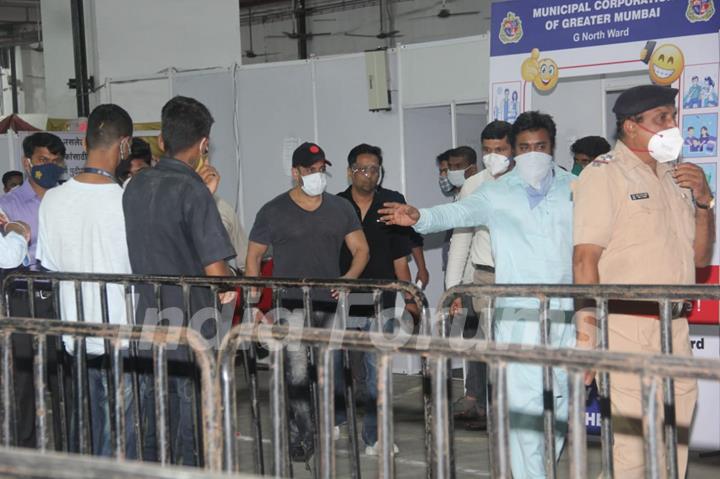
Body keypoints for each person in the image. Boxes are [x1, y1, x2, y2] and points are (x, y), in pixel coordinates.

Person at [379, 111, 576, 478]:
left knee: (561, 405)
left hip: (566, 315)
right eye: (526, 147)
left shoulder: (574, 189)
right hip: (517, 315)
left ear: (552, 148)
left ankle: (543, 469)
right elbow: (456, 213)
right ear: (515, 151)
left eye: (541, 146)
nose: (533, 153)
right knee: (523, 407)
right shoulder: (497, 193)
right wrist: (418, 216)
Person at [574, 84, 714, 478]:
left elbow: (700, 258)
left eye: (673, 116)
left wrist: (704, 201)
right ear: (630, 126)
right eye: (661, 119)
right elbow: (585, 259)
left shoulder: (676, 177)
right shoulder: (603, 175)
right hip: (624, 328)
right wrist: (587, 340)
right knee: (630, 455)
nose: (673, 126)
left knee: (674, 448)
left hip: (675, 329)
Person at [123, 96, 237, 465]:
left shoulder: (135, 186)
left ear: (161, 139)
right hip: (192, 326)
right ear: (204, 145)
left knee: (153, 421)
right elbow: (216, 272)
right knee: (193, 422)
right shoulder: (194, 192)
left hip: (146, 320)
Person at [245, 141, 369, 462]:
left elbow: (361, 250)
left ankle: (316, 424)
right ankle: (304, 433)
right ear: (295, 173)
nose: (317, 175)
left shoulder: (340, 209)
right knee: (297, 372)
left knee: (327, 372)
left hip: (328, 304)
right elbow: (254, 254)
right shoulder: (273, 211)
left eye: (321, 170)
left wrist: (347, 280)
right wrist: (254, 292)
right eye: (310, 170)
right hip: (290, 305)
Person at [36, 104, 137, 456]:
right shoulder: (128, 201)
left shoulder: (52, 199)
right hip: (123, 337)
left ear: (85, 139)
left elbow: (47, 264)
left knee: (86, 432)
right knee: (120, 437)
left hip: (74, 336)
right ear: (125, 145)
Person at [336, 143, 416, 455]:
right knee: (338, 367)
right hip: (341, 299)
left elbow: (400, 257)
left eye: (374, 169)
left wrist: (409, 298)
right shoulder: (336, 205)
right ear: (349, 171)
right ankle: (337, 415)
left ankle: (375, 436)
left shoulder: (391, 203)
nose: (368, 175)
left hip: (380, 300)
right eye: (361, 169)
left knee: (377, 372)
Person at [445, 122, 514, 431]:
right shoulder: (473, 186)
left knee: (515, 349)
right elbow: (460, 240)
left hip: (521, 280)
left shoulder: (527, 182)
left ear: (513, 149)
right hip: (483, 278)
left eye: (499, 149)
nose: (492, 156)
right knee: (481, 346)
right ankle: (482, 405)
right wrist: (453, 290)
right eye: (487, 150)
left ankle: (515, 410)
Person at [0, 131, 66, 449]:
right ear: (28, 163)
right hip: (23, 300)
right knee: (24, 382)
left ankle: (71, 452)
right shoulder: (7, 204)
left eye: (56, 161)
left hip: (63, 298)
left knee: (65, 378)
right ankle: (24, 453)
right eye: (43, 161)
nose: (50, 167)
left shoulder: (68, 199)